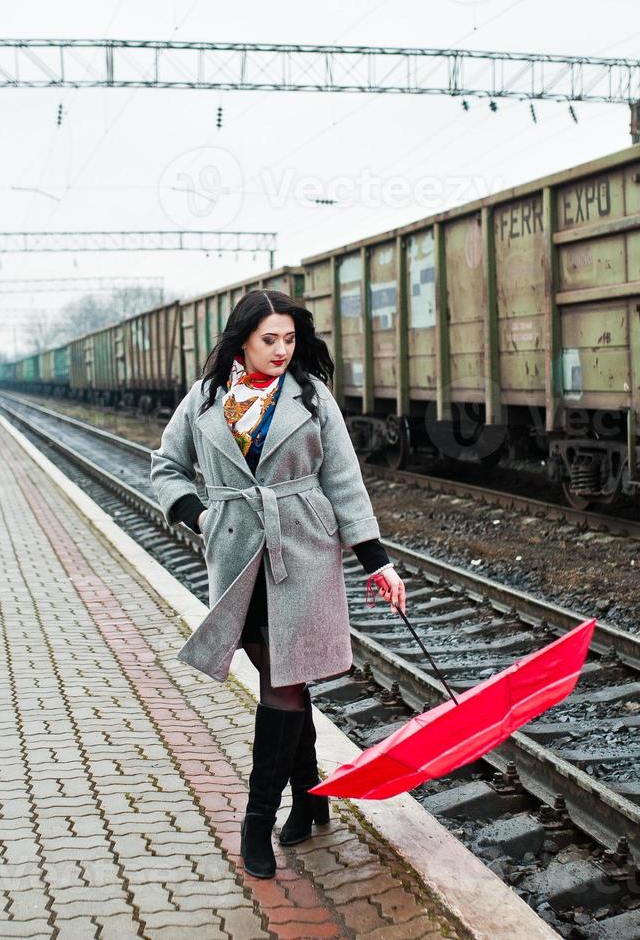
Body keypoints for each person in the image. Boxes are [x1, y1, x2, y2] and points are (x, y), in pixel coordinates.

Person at [149, 288, 406, 880]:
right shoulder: (206, 398)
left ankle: (256, 821)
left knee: (282, 685)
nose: (282, 350)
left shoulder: (312, 399)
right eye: (270, 339)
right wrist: (200, 515)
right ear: (243, 340)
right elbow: (166, 466)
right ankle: (313, 798)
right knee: (284, 678)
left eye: (290, 339)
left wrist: (378, 563)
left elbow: (344, 483)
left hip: (305, 554)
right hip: (240, 555)